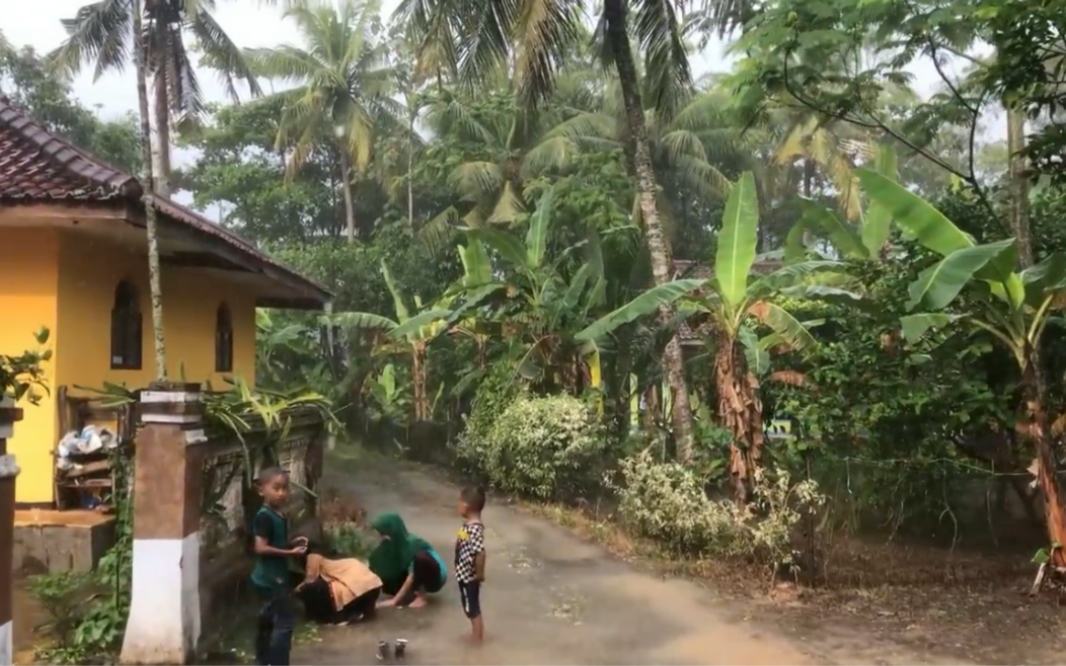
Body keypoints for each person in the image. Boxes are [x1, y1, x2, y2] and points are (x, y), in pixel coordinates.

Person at [251, 467, 307, 666]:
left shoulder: (277, 513)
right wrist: (290, 553)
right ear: (261, 490)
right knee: (284, 623)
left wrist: (291, 543)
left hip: (271, 576)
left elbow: (275, 542)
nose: (281, 493)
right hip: (272, 578)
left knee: (266, 622)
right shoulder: (264, 516)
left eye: (285, 488)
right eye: (276, 488)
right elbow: (261, 548)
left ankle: (262, 661)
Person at [367, 513, 447, 609]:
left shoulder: (413, 543)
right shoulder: (387, 545)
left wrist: (394, 601)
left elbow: (413, 573)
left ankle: (421, 596)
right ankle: (408, 592)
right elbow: (372, 568)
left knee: (420, 559)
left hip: (433, 576)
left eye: (382, 533)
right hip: (410, 574)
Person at [295, 542, 383, 625]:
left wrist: (295, 591)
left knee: (310, 589)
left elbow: (310, 579)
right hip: (374, 585)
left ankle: (341, 616)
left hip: (359, 591)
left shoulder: (313, 556)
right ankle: (359, 611)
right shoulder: (336, 556)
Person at [455, 486, 487, 642]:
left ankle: (477, 638)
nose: (457, 505)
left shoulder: (474, 529)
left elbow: (480, 552)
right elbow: (461, 543)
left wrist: (479, 574)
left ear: (466, 506)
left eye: (459, 502)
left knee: (473, 609)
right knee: (469, 606)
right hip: (464, 574)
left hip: (470, 577)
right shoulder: (467, 526)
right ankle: (475, 632)